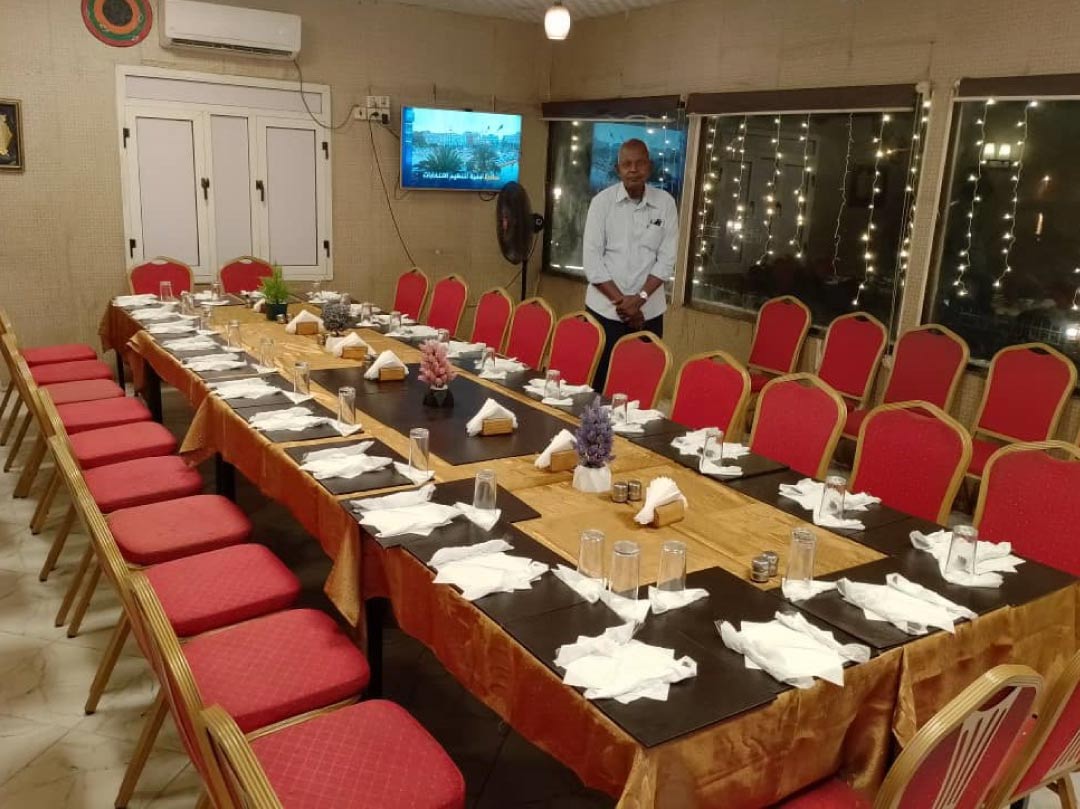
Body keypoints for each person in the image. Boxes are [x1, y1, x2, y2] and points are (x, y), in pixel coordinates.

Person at [582, 138, 679, 390]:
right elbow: (592, 263)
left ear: (649, 166)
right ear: (618, 170)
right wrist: (625, 305)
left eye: (639, 163)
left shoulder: (665, 204)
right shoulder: (601, 203)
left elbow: (667, 260)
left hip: (649, 314)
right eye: (626, 164)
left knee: (641, 388)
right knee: (598, 389)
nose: (633, 169)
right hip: (604, 312)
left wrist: (640, 300)